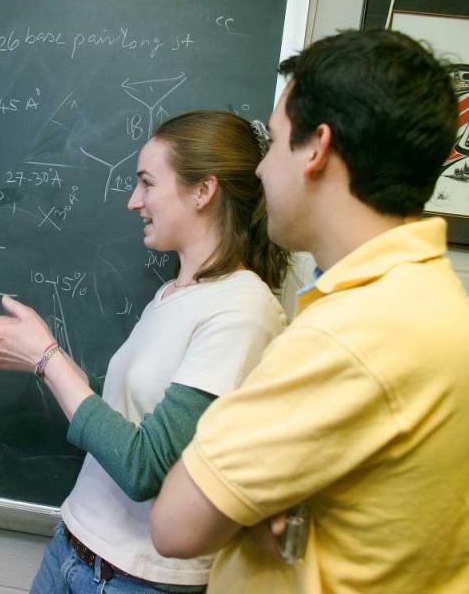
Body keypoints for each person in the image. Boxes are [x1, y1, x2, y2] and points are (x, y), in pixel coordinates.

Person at [149, 30, 469, 593]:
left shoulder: (351, 334)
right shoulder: (432, 299)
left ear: (316, 149)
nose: (262, 170)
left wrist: (254, 504)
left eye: (272, 144)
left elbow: (175, 525)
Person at [0, 110, 290, 593]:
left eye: (147, 183)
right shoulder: (173, 294)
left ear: (203, 191)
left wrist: (47, 358)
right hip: (74, 546)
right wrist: (36, 360)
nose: (133, 202)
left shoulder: (243, 309)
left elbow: (145, 465)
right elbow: (126, 414)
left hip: (137, 580)